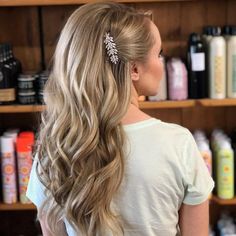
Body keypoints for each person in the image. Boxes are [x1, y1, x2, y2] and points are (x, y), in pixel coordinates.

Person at [26, 2, 214, 236]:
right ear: (134, 69)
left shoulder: (56, 148)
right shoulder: (178, 144)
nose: (161, 63)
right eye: (159, 54)